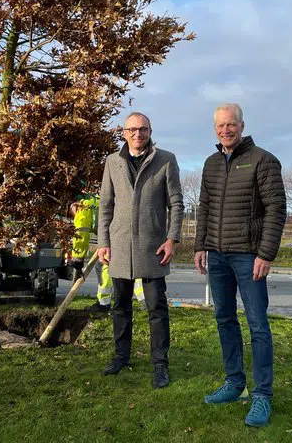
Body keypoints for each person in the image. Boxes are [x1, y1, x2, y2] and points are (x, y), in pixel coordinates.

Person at [194, 103, 286, 428]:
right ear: (215, 129)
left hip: (249, 256)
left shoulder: (263, 160)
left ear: (242, 125)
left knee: (258, 325)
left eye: (230, 124)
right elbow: (204, 207)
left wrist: (266, 253)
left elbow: (276, 209)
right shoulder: (210, 164)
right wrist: (200, 245)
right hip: (217, 256)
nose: (225, 130)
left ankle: (262, 395)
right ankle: (234, 383)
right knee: (224, 319)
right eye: (220, 126)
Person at [97, 111, 184, 388]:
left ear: (150, 131)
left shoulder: (165, 160)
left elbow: (177, 204)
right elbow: (105, 206)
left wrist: (172, 239)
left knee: (157, 308)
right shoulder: (112, 162)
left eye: (143, 129)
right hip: (119, 246)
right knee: (120, 306)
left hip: (152, 247)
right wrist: (103, 242)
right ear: (124, 133)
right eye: (132, 129)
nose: (138, 134)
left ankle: (160, 364)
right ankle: (121, 356)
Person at [67, 195, 145, 312]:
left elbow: (81, 236)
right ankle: (146, 301)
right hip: (127, 229)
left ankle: (103, 304)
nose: (73, 217)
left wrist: (77, 261)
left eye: (70, 215)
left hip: (116, 234)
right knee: (134, 262)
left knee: (103, 263)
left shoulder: (82, 208)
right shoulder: (96, 201)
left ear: (73, 206)